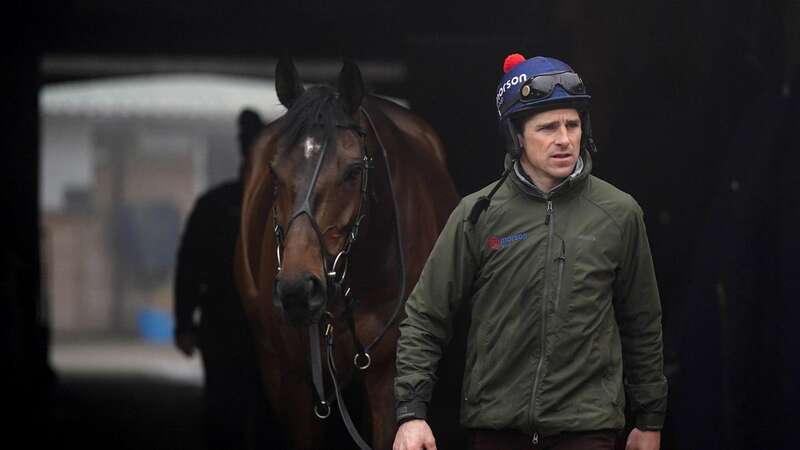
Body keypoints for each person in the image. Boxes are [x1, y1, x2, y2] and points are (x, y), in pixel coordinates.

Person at [392, 54, 667, 450]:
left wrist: (649, 419)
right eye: (547, 127)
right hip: (497, 430)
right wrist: (412, 414)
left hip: (586, 431)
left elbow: (642, 323)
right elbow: (425, 317)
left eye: (572, 125)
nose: (564, 139)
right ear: (517, 136)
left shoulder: (619, 214)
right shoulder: (478, 213)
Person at [173, 108, 273, 450]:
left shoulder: (283, 206)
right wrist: (183, 324)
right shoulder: (215, 205)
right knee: (223, 416)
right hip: (222, 328)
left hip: (273, 332)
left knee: (270, 417)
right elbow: (188, 267)